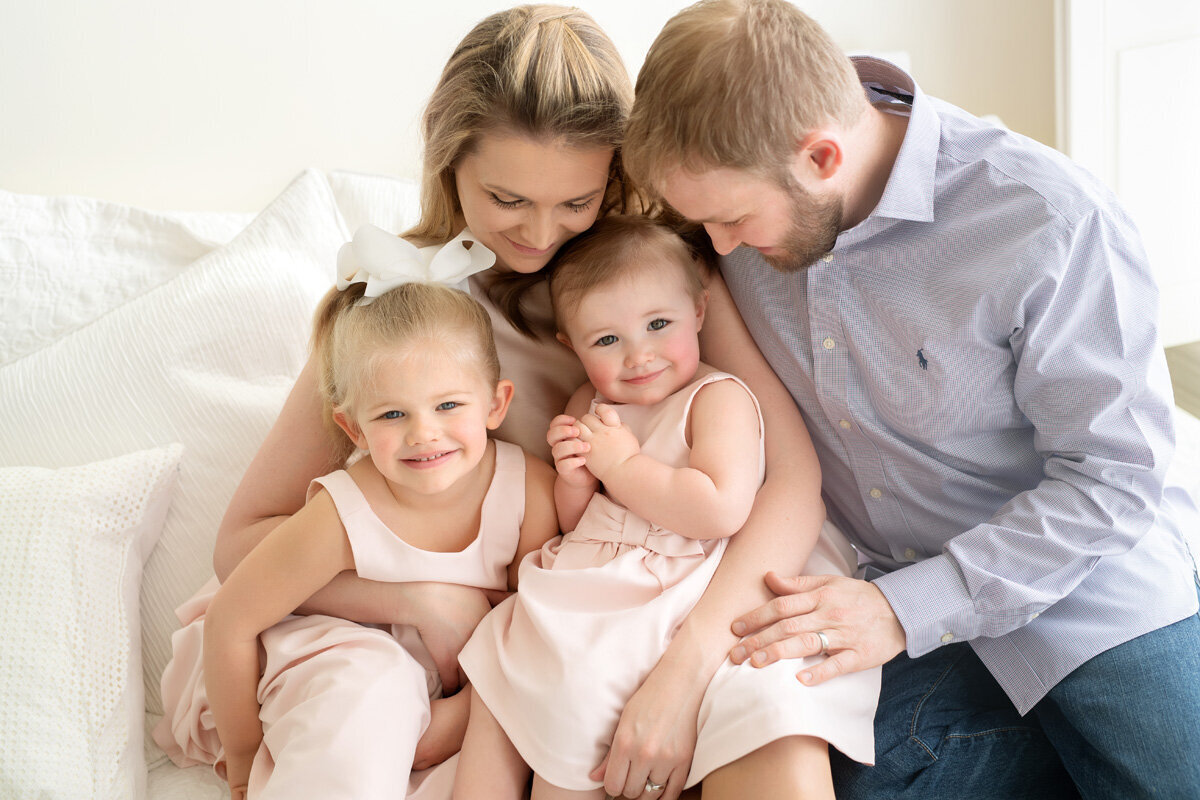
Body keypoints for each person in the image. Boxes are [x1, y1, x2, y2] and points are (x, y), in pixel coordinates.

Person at [159, 5, 848, 800]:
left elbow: (789, 482)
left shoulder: (650, 276)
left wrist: (689, 662)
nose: (541, 235)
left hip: (670, 586)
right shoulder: (401, 306)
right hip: (515, 618)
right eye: (507, 198)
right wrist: (420, 600)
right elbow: (242, 541)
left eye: (577, 203)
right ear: (449, 163)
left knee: (770, 712)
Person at [621, 1, 1200, 799]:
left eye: (731, 221)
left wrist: (902, 610)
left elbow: (1114, 478)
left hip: (1081, 590)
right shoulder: (736, 187)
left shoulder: (1049, 219)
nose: (716, 251)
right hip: (885, 599)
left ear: (822, 156)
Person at [453, 215, 877, 800]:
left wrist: (621, 467)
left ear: (699, 313)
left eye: (659, 325)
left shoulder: (717, 397)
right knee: (515, 655)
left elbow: (720, 510)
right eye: (606, 340)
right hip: (591, 575)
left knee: (583, 690)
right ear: (571, 347)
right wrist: (575, 478)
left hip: (670, 581)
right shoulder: (591, 401)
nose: (639, 355)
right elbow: (579, 524)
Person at [201, 241, 560, 798]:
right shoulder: (342, 514)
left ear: (496, 404)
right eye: (393, 414)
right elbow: (230, 621)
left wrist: (465, 712)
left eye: (448, 406)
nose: (424, 434)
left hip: (451, 689)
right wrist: (245, 759)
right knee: (370, 697)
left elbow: (532, 615)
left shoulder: (529, 489)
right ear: (354, 431)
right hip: (331, 660)